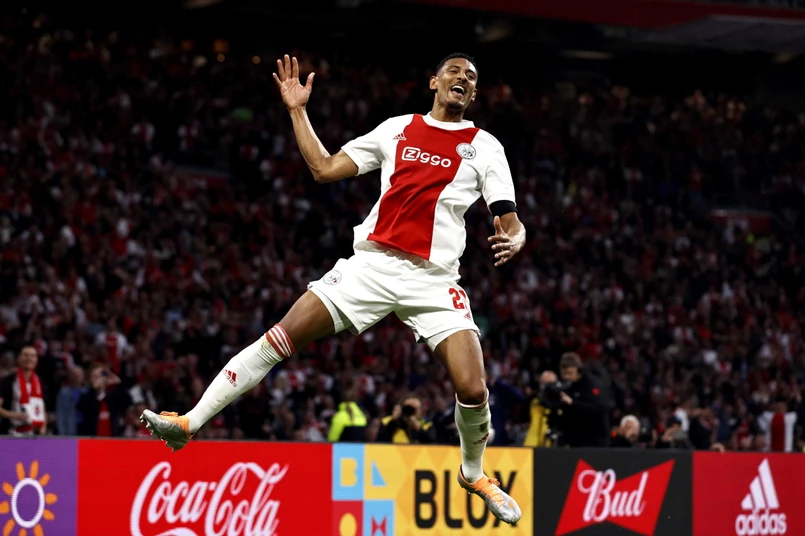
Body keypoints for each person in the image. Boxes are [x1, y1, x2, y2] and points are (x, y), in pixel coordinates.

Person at [141, 52, 524, 524]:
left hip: (433, 279)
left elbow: (509, 217)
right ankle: (188, 423)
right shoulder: (397, 129)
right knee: (280, 337)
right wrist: (297, 111)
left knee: (473, 387)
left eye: (471, 76)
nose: (462, 78)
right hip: (372, 265)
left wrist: (516, 237)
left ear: (475, 93)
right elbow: (323, 168)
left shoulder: (485, 147)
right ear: (434, 81)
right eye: (454, 71)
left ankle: (473, 473)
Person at [555, 352, 609, 447]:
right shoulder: (564, 386)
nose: (567, 377)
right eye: (564, 373)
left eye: (570, 373)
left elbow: (600, 408)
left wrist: (573, 403)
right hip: (573, 439)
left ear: (579, 371)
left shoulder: (591, 384)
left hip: (593, 440)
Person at [0, 346, 47, 436]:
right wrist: (15, 415)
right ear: (18, 358)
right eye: (25, 355)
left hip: (33, 434)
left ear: (36, 360)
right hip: (10, 433)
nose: (29, 359)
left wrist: (42, 430)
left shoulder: (40, 382)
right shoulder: (8, 381)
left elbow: (42, 409)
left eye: (33, 356)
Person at [77, 364, 129, 436]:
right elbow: (83, 408)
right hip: (92, 439)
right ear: (90, 380)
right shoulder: (85, 396)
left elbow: (127, 403)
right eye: (95, 377)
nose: (99, 379)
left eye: (101, 376)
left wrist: (119, 384)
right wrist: (94, 390)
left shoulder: (112, 396)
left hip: (112, 439)